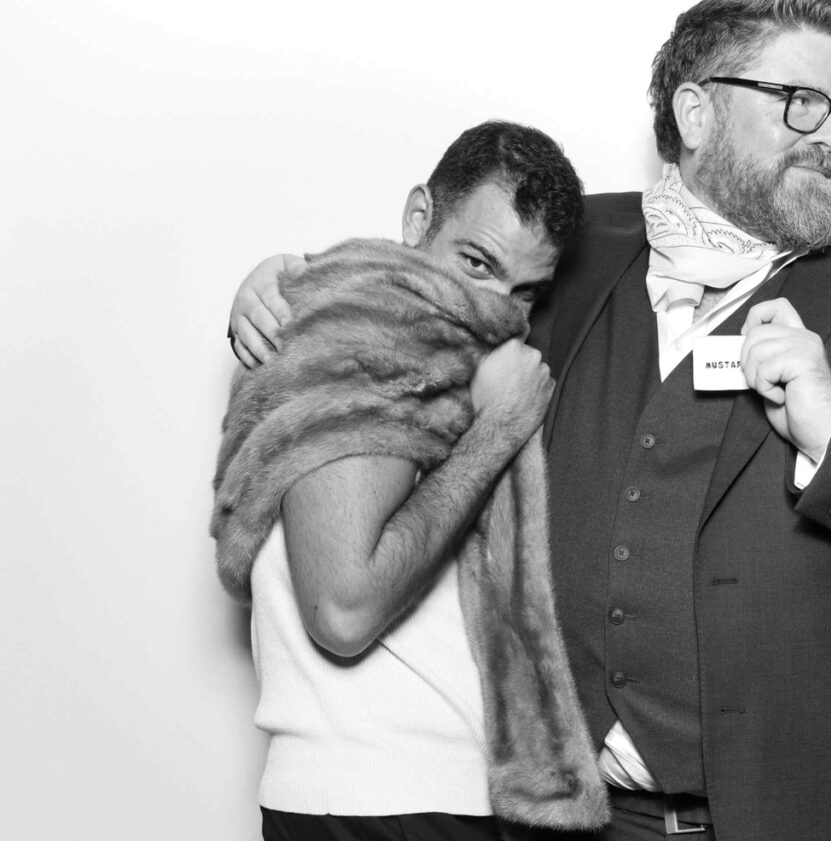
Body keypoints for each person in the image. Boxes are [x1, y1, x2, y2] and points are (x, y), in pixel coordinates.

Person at [228, 3, 831, 839]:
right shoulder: (573, 250)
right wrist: (289, 282)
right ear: (696, 110)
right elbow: (434, 268)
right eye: (800, 100)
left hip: (830, 815)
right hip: (576, 821)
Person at [212, 121, 611, 841]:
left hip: (423, 798)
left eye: (525, 292)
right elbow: (343, 610)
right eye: (478, 263)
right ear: (418, 217)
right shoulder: (363, 336)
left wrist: (294, 267)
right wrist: (498, 432)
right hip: (381, 802)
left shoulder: (424, 335)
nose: (499, 309)